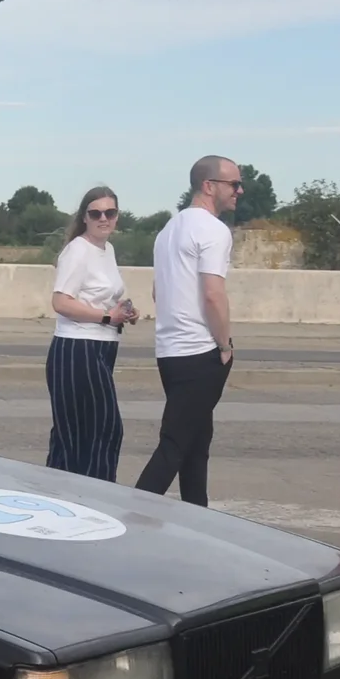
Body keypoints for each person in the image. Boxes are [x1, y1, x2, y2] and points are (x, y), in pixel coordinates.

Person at [134, 155, 241, 504]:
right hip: (198, 353)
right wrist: (224, 346)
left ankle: (198, 514)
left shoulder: (169, 229)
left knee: (196, 443)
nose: (239, 191)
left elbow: (157, 291)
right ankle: (131, 517)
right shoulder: (213, 230)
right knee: (175, 445)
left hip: (169, 352)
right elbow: (213, 294)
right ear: (209, 186)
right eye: (233, 184)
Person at [46, 186, 138, 481]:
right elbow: (61, 302)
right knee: (103, 431)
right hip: (77, 348)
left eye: (109, 213)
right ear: (84, 217)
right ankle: (94, 500)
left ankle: (62, 497)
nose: (103, 219)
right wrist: (108, 316)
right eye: (95, 213)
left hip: (102, 347)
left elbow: (99, 297)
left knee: (76, 434)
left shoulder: (106, 250)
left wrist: (123, 311)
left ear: (117, 216)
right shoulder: (78, 250)